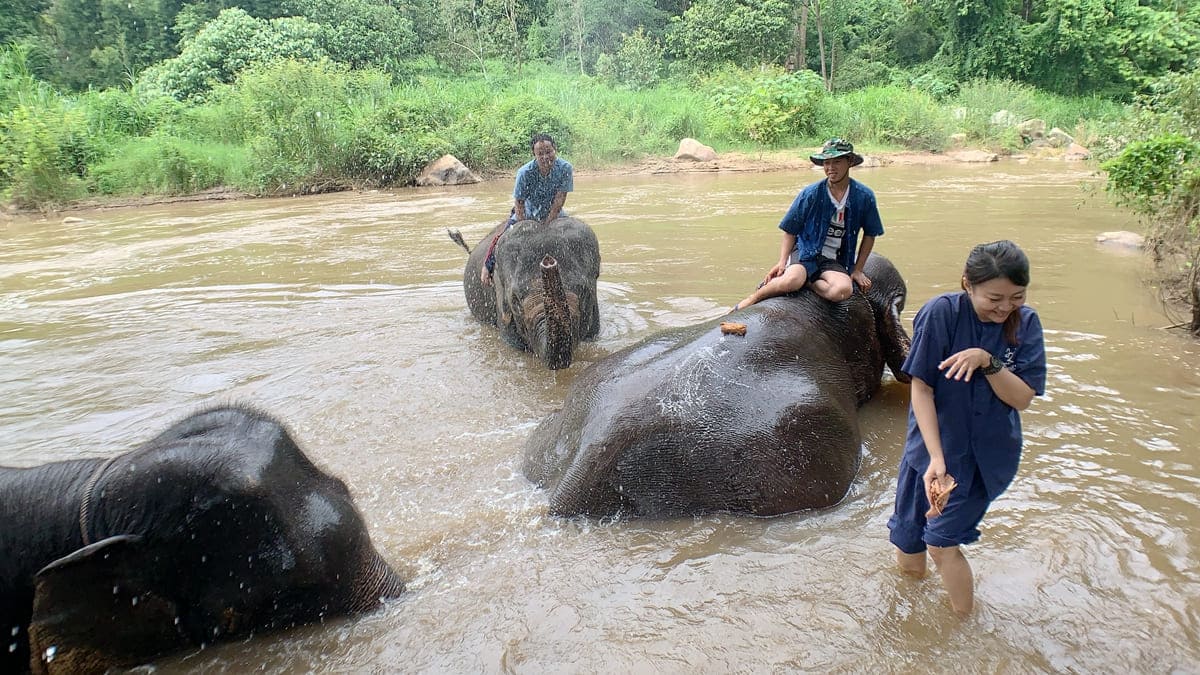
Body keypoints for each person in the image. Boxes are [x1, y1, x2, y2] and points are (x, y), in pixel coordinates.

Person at [887, 240, 1047, 616]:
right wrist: (935, 459)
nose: (1005, 307)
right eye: (994, 298)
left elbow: (1022, 398)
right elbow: (922, 389)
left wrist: (988, 361)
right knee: (909, 543)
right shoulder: (941, 315)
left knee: (942, 543)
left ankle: (963, 625)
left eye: (1016, 297)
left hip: (982, 458)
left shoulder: (1025, 324)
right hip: (927, 452)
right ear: (967, 285)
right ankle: (912, 614)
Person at [734, 138, 883, 310]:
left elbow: (870, 234)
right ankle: (754, 297)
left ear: (849, 162)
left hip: (834, 258)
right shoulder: (810, 194)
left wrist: (857, 270)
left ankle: (809, 283)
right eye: (827, 163)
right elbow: (790, 230)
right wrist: (782, 262)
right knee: (791, 281)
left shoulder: (864, 196)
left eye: (837, 162)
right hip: (805, 252)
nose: (830, 168)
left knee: (842, 291)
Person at [481, 133, 574, 286]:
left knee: (573, 235)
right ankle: (487, 266)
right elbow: (519, 203)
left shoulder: (565, 168)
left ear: (555, 149)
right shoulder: (525, 173)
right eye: (540, 154)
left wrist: (548, 224)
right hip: (527, 213)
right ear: (534, 155)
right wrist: (524, 226)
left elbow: (560, 200)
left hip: (554, 213)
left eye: (549, 152)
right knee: (504, 235)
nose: (545, 157)